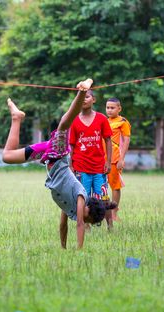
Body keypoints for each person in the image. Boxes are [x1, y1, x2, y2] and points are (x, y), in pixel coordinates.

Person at [1, 79, 116, 250]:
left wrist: (63, 248)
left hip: (49, 154)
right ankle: (82, 90)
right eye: (87, 219)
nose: (83, 221)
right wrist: (79, 250)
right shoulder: (80, 197)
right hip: (59, 154)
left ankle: (16, 118)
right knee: (63, 125)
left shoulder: (69, 206)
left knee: (7, 157)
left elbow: (63, 226)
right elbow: (78, 227)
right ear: (88, 208)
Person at [69, 89, 113, 229]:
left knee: (104, 199)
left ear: (93, 100)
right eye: (81, 97)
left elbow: (108, 140)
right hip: (81, 167)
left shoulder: (101, 118)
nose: (84, 99)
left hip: (100, 167)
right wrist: (70, 164)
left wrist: (108, 162)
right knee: (83, 198)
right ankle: (85, 226)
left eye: (87, 97)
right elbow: (71, 145)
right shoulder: (74, 120)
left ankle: (110, 226)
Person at [105, 97, 131, 221]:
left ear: (119, 108)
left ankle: (114, 213)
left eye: (112, 108)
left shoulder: (123, 122)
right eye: (107, 107)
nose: (109, 110)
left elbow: (126, 140)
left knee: (115, 186)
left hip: (115, 159)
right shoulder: (104, 121)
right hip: (102, 159)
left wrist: (122, 159)